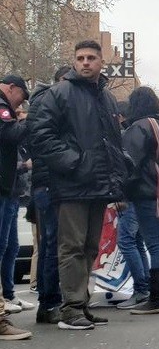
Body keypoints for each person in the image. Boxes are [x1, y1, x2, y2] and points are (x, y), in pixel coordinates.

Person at [29, 40, 129, 330]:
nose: (85, 62)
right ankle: (71, 308)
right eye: (80, 58)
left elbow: (113, 140)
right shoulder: (59, 93)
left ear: (101, 63)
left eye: (91, 58)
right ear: (74, 62)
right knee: (71, 246)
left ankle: (80, 304)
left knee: (88, 247)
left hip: (99, 184)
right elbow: (41, 134)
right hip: (72, 184)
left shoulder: (107, 99)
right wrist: (73, 162)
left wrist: (121, 168)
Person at [120, 87, 159, 316]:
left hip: (147, 190)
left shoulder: (140, 127)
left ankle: (156, 298)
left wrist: (122, 191)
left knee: (153, 243)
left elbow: (129, 162)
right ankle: (158, 296)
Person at [28, 66, 71, 325]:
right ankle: (50, 302)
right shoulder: (50, 102)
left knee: (49, 244)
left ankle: (49, 300)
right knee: (54, 243)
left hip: (45, 182)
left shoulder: (41, 102)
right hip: (50, 182)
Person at [0, 74, 30, 316]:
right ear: (12, 88)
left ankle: (8, 295)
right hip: (3, 187)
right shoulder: (1, 107)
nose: (19, 106)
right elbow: (9, 135)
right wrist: (33, 121)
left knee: (10, 246)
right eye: (21, 98)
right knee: (2, 246)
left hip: (9, 189)